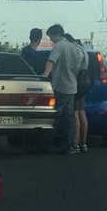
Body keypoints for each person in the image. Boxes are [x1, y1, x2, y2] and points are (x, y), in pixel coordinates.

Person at [42, 24, 83, 154]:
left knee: (55, 116)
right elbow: (80, 66)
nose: (51, 40)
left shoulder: (59, 46)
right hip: (72, 87)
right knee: (69, 118)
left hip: (59, 86)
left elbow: (51, 61)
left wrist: (44, 76)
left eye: (51, 37)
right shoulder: (75, 47)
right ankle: (67, 146)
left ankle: (48, 145)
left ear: (58, 34)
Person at [65, 35, 89, 153]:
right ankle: (83, 143)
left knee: (74, 114)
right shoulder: (82, 49)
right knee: (81, 112)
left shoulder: (74, 50)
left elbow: (73, 68)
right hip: (84, 83)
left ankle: (75, 143)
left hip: (75, 83)